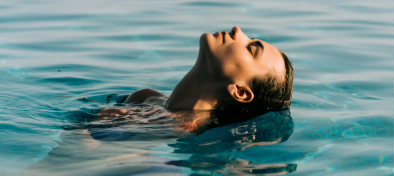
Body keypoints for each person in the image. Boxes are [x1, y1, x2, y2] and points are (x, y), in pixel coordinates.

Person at [97, 26, 294, 132]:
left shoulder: (183, 127)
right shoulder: (144, 96)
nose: (237, 30)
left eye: (250, 48)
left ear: (239, 91)